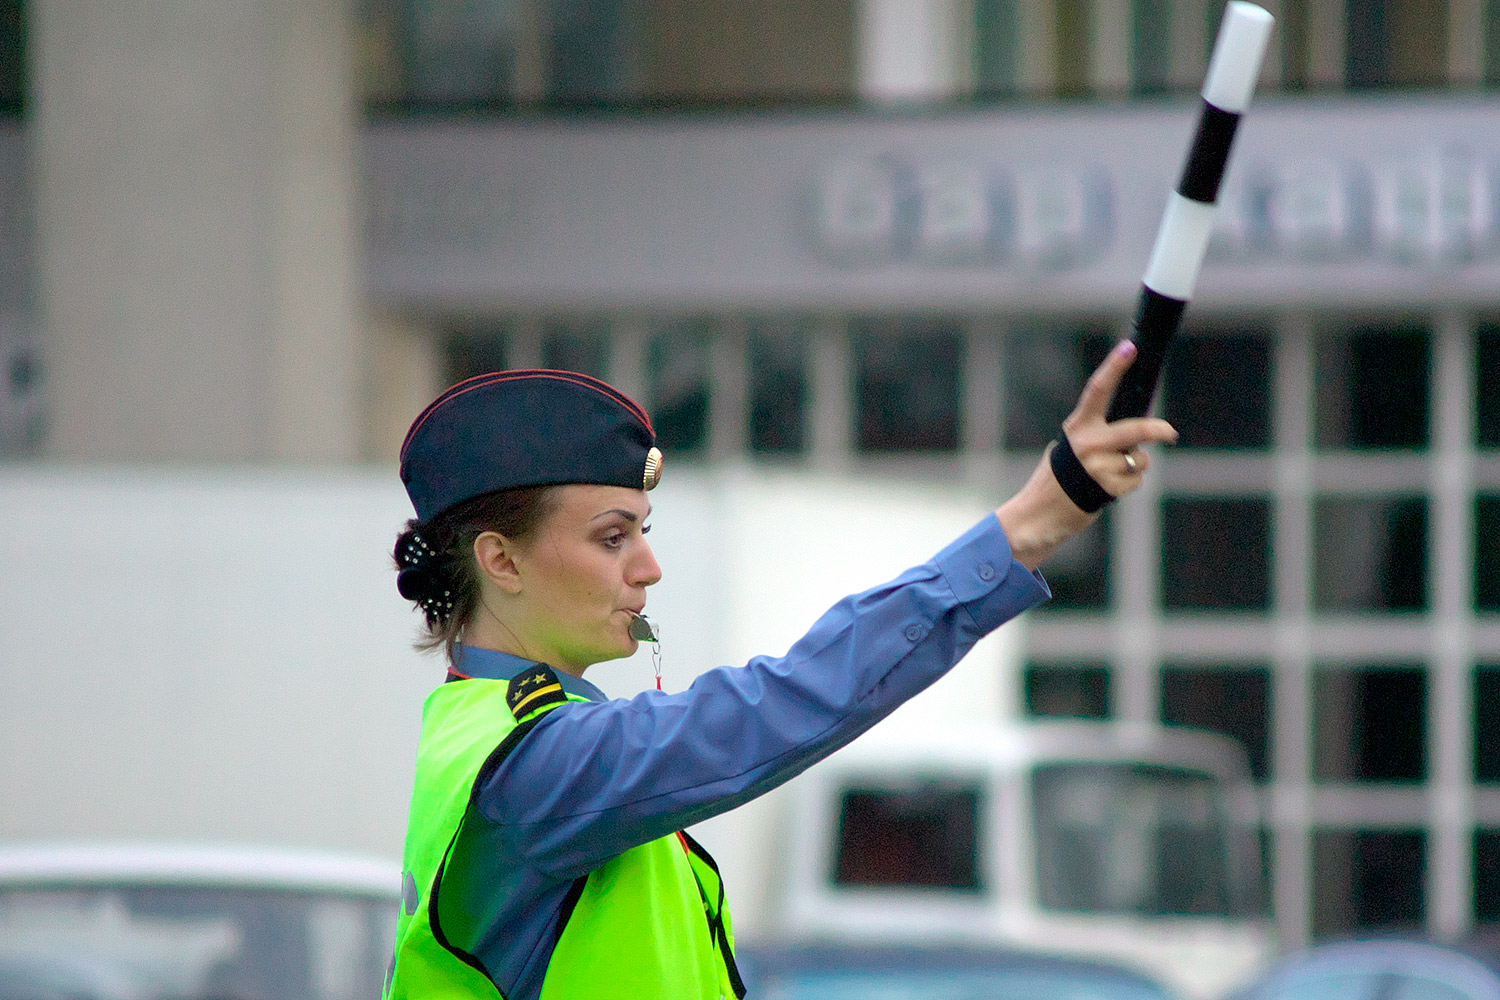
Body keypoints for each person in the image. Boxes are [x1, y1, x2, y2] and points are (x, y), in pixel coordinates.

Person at [383, 343, 1176, 1000]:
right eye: (613, 537)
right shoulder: (535, 765)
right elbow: (783, 703)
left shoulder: (502, 738)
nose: (649, 568)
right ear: (502, 561)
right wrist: (1031, 523)